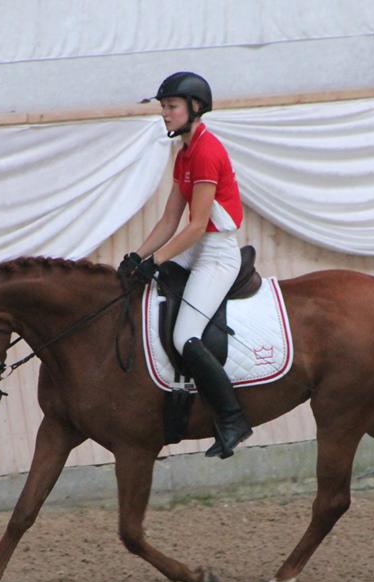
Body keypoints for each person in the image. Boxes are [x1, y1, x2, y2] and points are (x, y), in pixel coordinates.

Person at [120, 71, 253, 460]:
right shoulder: (185, 153)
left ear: (195, 109)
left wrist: (158, 260)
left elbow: (196, 226)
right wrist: (138, 256)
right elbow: (169, 220)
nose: (164, 113)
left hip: (216, 253)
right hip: (195, 247)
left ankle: (232, 419)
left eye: (171, 107)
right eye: (163, 107)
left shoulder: (208, 151)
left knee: (184, 336)